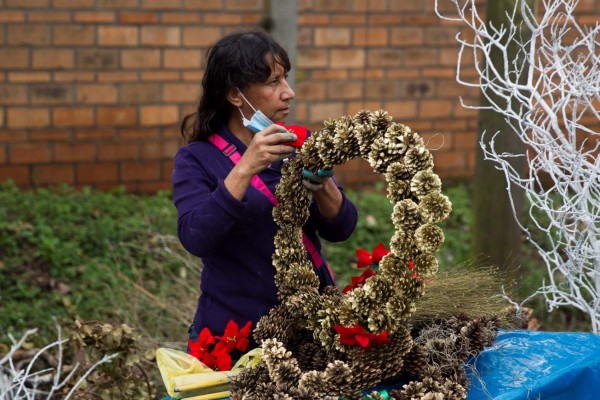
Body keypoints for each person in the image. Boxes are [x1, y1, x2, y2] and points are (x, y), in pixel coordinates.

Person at [172, 28, 358, 350]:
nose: (289, 92)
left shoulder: (297, 143)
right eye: (274, 83)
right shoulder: (196, 158)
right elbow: (196, 236)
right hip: (235, 336)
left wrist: (323, 183)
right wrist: (246, 166)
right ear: (235, 95)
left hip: (308, 330)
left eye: (285, 79)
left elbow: (342, 228)